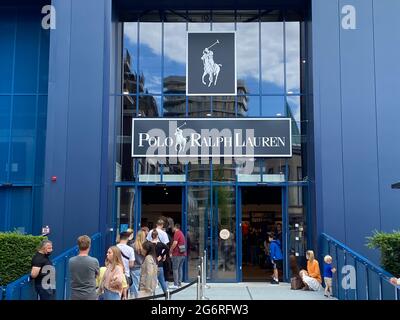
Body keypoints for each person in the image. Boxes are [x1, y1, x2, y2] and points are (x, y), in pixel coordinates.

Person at [69, 235, 100, 300]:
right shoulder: (94, 261)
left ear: (78, 246)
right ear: (89, 246)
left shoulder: (71, 261)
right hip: (90, 296)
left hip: (75, 296)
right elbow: (97, 276)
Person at [150, 229, 169, 294]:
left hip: (151, 263)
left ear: (151, 236)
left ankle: (152, 296)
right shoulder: (161, 244)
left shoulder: (148, 244)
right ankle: (167, 294)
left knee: (151, 281)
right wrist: (161, 255)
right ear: (157, 236)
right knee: (162, 281)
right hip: (159, 264)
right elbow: (167, 248)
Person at [117, 231, 135, 299]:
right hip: (126, 275)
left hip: (116, 275)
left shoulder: (114, 248)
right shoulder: (130, 249)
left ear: (120, 238)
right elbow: (131, 264)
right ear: (127, 238)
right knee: (124, 296)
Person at [169, 223, 186, 289]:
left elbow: (175, 243)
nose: (172, 229)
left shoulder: (177, 233)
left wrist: (170, 250)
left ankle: (175, 284)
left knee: (175, 269)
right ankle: (179, 283)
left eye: (173, 227)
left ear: (175, 227)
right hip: (182, 254)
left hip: (177, 254)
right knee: (180, 269)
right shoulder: (181, 233)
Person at [131, 230, 146, 298]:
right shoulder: (145, 246)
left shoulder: (132, 246)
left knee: (135, 283)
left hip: (134, 266)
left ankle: (136, 297)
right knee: (142, 284)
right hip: (143, 266)